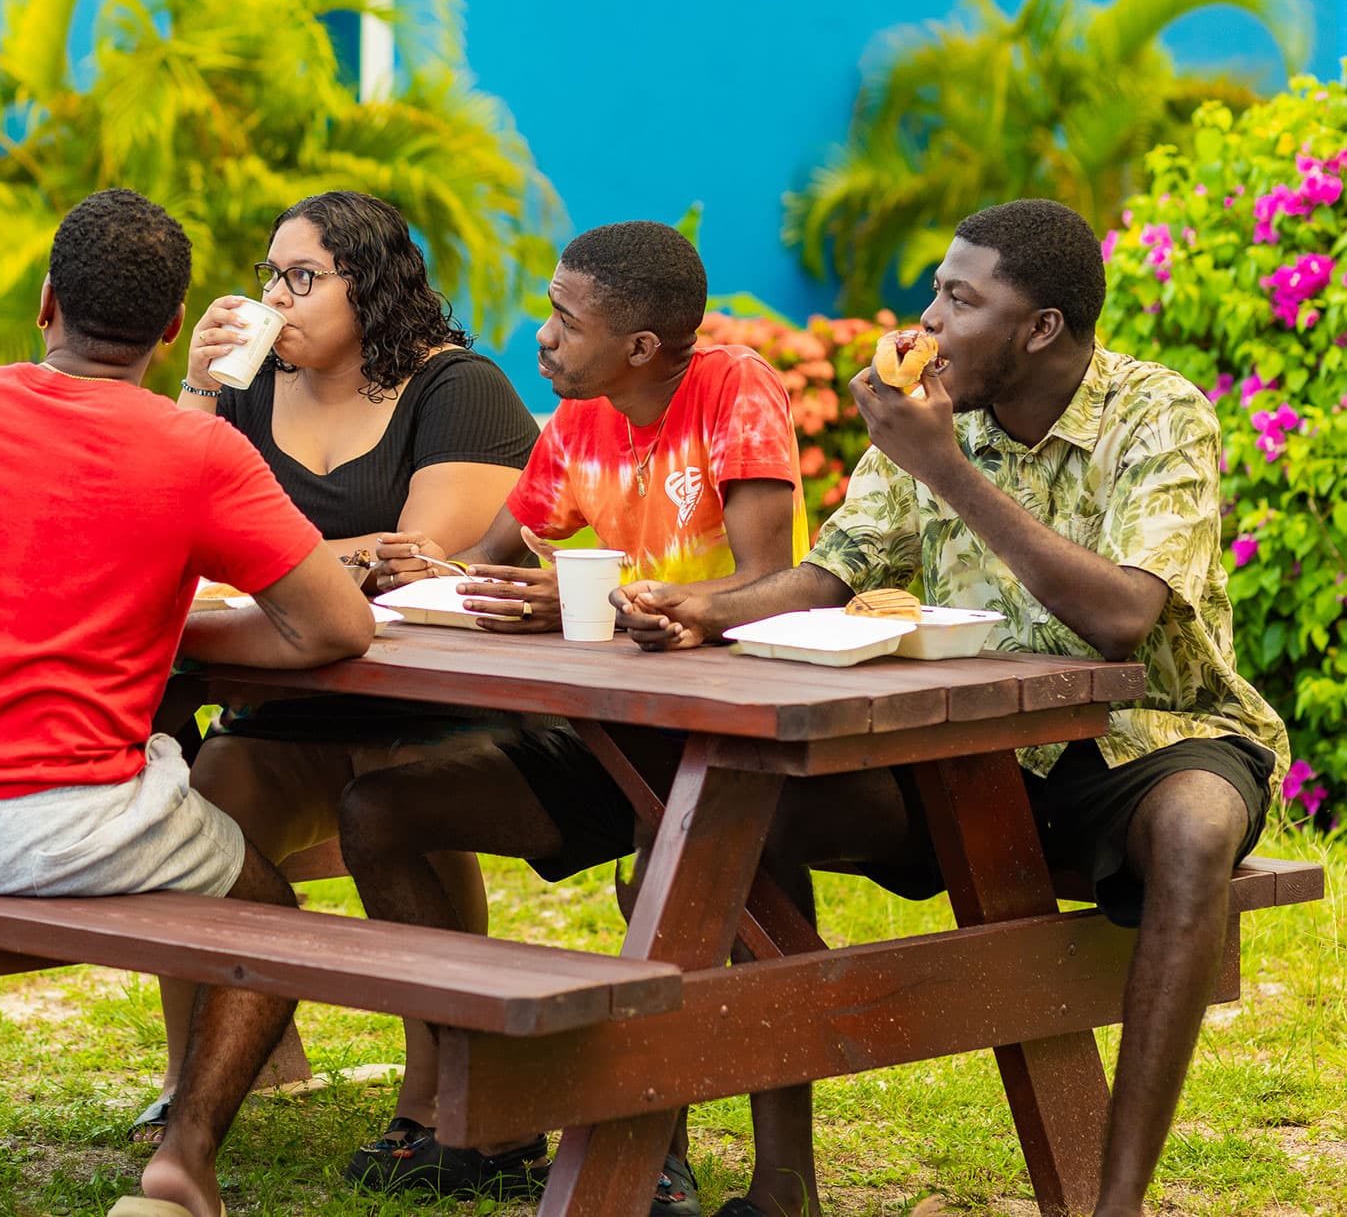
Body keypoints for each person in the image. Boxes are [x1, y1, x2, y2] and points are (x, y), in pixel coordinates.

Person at [617, 199, 1287, 1217]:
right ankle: (781, 1177)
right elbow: (831, 575)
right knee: (725, 819)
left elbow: (1123, 617)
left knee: (1196, 830)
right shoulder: (935, 415)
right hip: (973, 758)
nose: (926, 320)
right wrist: (701, 612)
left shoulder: (1158, 415)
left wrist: (946, 467)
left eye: (960, 299)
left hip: (1158, 734)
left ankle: (1117, 1205)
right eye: (935, 290)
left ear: (1042, 327)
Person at [0, 189, 375, 1217]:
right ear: (171, 332)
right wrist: (172, 625)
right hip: (71, 826)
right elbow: (337, 627)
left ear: (45, 302)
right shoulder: (199, 449)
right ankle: (180, 1167)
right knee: (275, 915)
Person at [340, 221, 808, 1207]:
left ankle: (655, 1152)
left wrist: (595, 599)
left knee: (666, 869)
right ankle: (479, 1108)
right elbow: (499, 563)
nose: (541, 334)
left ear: (642, 346)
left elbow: (771, 583)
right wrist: (433, 572)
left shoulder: (731, 390)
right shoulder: (579, 422)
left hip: (722, 740)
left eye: (564, 316)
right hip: (607, 733)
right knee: (379, 812)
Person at [141, 191, 539, 1164]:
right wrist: (195, 388)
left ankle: (446, 1093)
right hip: (287, 694)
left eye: (302, 277)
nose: (276, 297)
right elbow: (159, 521)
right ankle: (217, 1066)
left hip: (427, 699)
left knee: (393, 786)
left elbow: (421, 553)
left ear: (373, 285)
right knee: (200, 811)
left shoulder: (457, 389)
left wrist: (256, 559)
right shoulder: (243, 390)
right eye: (270, 274)